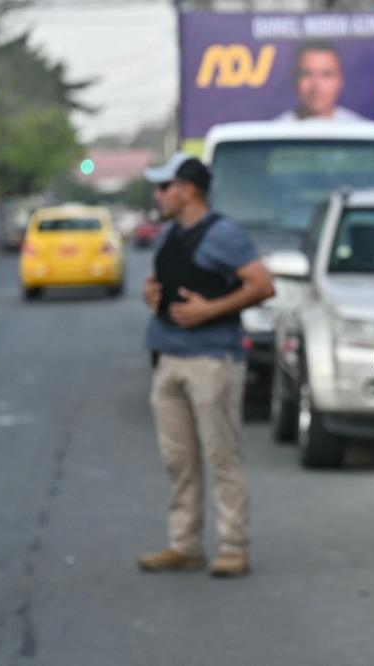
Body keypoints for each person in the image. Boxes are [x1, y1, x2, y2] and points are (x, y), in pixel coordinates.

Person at [137, 153, 275, 578]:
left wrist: (209, 310)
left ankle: (233, 546)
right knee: (178, 458)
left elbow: (262, 284)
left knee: (221, 456)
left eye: (164, 187)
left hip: (213, 358)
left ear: (187, 190)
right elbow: (154, 279)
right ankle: (186, 543)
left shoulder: (224, 234)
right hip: (168, 357)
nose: (158, 194)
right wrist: (151, 294)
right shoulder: (168, 234)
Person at [274, 40, 365, 121]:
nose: (316, 85)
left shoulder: (361, 132)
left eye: (326, 75)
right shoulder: (274, 134)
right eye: (307, 74)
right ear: (295, 79)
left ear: (340, 80)